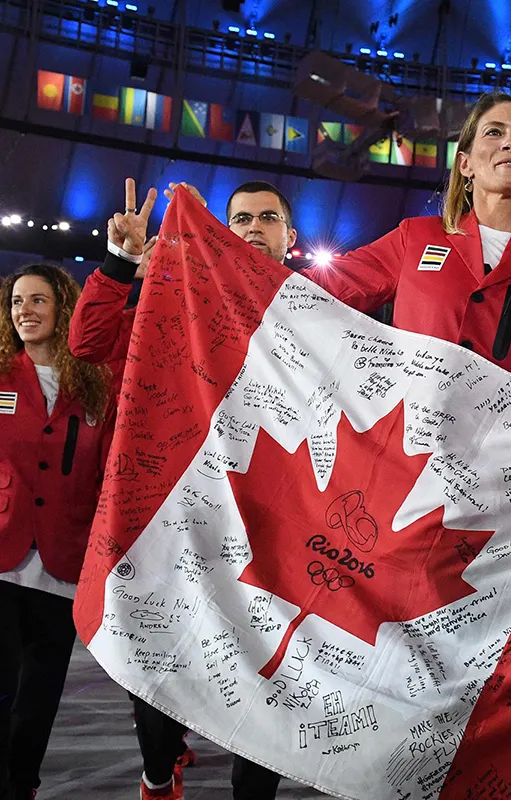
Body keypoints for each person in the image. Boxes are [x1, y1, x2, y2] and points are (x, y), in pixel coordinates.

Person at [69, 179, 294, 800]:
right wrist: (122, 263)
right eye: (240, 217)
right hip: (173, 517)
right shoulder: (174, 298)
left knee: (268, 683)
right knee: (159, 658)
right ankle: (157, 776)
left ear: (289, 237)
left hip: (268, 532)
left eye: (267, 218)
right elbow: (87, 343)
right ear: (221, 228)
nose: (253, 226)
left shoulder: (317, 315)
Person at [308, 91, 511, 396]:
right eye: (494, 132)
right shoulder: (414, 238)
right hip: (413, 448)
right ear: (465, 164)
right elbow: (315, 291)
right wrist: (258, 272)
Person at [0, 264, 114, 800]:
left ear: (62, 309)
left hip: (65, 563)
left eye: (38, 300)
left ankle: (22, 786)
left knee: (39, 697)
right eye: (17, 301)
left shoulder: (98, 387)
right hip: (2, 554)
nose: (24, 311)